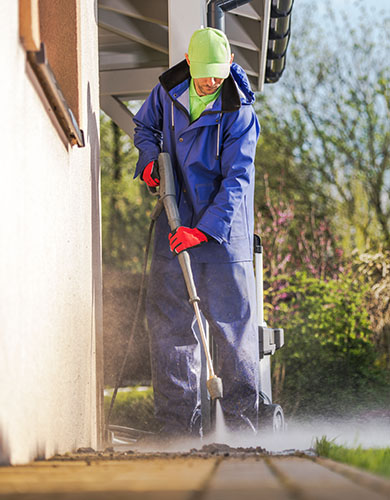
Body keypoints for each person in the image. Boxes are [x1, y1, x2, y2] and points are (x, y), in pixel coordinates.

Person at [133, 27, 260, 437]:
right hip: (175, 224)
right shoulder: (167, 94)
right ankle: (176, 431)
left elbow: (238, 180)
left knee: (230, 328)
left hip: (221, 235)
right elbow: (144, 129)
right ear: (189, 64)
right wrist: (150, 161)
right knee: (171, 328)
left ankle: (241, 430)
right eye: (205, 74)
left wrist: (204, 230)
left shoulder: (238, 111)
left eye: (219, 74)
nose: (212, 82)